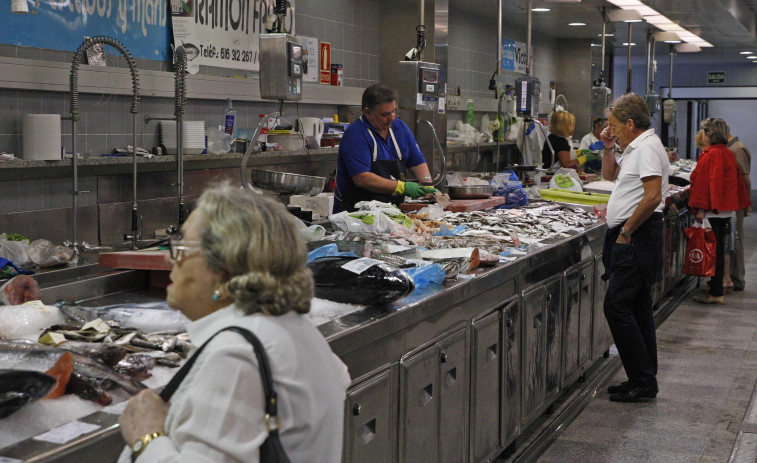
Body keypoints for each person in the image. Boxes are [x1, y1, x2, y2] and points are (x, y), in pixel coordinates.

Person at [118, 183, 351, 462]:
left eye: (182, 246)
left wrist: (148, 436)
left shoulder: (236, 354)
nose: (170, 257)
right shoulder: (291, 326)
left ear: (224, 271)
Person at [599, 93, 669, 403]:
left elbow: (653, 197)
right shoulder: (635, 148)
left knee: (616, 306)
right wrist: (608, 147)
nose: (610, 130)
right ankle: (643, 378)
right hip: (631, 236)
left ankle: (642, 379)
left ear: (630, 123)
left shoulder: (648, 149)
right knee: (638, 308)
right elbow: (609, 175)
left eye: (613, 126)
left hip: (636, 237)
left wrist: (626, 231)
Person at [333, 84, 437, 213]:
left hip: (391, 212)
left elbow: (417, 163)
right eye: (385, 114)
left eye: (394, 111)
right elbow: (362, 178)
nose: (392, 117)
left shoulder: (399, 128)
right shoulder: (356, 135)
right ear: (367, 112)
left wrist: (427, 186)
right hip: (357, 215)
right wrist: (402, 187)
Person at [689, 118, 751, 304]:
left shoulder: (709, 154)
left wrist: (699, 208)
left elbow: (702, 184)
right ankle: (717, 287)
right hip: (725, 210)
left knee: (712, 252)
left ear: (709, 134)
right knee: (721, 251)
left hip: (711, 211)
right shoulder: (727, 153)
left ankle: (716, 293)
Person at [727, 128, 752, 292]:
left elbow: (745, 179)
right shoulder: (731, 148)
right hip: (733, 201)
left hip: (736, 202)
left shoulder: (737, 149)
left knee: (735, 240)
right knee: (732, 240)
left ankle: (737, 278)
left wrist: (746, 203)